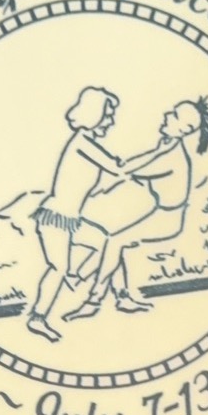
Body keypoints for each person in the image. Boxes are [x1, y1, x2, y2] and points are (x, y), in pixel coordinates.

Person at [65, 98, 208, 320]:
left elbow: (129, 170)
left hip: (168, 220)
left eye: (174, 115)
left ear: (185, 129)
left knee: (115, 242)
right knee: (114, 242)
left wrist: (111, 179)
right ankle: (120, 297)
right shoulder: (166, 147)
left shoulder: (172, 157)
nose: (167, 115)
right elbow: (131, 169)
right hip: (160, 214)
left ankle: (92, 298)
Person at [27, 87, 124, 343]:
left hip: (71, 220)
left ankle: (80, 278)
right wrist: (155, 157)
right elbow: (115, 168)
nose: (111, 122)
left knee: (106, 242)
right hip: (56, 218)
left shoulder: (88, 144)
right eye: (108, 115)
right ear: (95, 115)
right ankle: (38, 317)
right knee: (58, 268)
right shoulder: (82, 143)